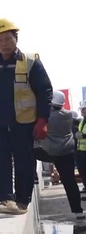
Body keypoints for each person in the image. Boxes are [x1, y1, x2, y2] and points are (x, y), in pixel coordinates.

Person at [0, 18, 53, 215]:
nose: (4, 43)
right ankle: (6, 199)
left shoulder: (30, 62)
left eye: (8, 38)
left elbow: (45, 91)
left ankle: (22, 202)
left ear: (16, 38)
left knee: (24, 161)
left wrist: (43, 120)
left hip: (23, 123)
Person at [33, 90, 84, 219]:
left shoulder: (48, 118)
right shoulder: (68, 115)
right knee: (70, 182)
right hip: (67, 152)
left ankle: (33, 177)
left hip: (50, 152)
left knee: (28, 152)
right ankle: (78, 211)